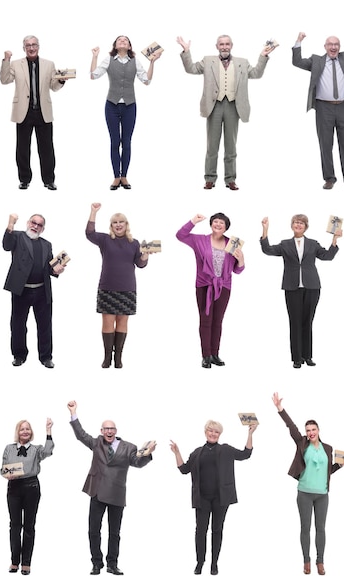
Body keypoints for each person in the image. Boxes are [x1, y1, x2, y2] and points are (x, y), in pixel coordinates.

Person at [67, 400, 155, 576]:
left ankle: (112, 564)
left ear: (116, 431)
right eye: (106, 429)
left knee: (114, 532)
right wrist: (73, 412)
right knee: (93, 530)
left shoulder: (129, 447)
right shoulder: (96, 443)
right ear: (101, 431)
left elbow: (137, 463)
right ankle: (96, 563)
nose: (109, 431)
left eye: (112, 428)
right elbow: (80, 435)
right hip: (98, 492)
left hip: (116, 494)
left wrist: (148, 453)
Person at [177, 34, 275, 190]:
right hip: (213, 106)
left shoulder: (242, 62)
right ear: (217, 46)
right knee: (212, 146)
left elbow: (256, 74)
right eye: (221, 44)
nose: (224, 47)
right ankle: (210, 178)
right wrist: (186, 51)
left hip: (233, 106)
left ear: (231, 46)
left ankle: (230, 179)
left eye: (227, 44)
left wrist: (263, 56)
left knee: (231, 146)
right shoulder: (208, 61)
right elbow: (191, 69)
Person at [292, 24, 344, 190]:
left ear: (339, 47)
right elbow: (297, 62)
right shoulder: (316, 61)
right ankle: (329, 178)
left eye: (336, 44)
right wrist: (298, 41)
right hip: (323, 108)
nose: (333, 47)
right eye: (330, 44)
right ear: (325, 47)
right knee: (325, 144)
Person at [272, 393, 344, 575]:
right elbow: (291, 427)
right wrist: (280, 409)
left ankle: (320, 562)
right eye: (308, 430)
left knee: (321, 529)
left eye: (313, 429)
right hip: (304, 493)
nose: (310, 432)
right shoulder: (302, 443)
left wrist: (340, 464)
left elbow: (328, 470)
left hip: (322, 494)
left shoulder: (328, 449)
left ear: (318, 430)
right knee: (305, 528)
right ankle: (306, 561)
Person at [170, 420, 256, 575]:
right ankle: (199, 562)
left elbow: (246, 454)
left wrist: (250, 434)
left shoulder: (226, 449)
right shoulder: (197, 452)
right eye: (211, 431)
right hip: (202, 498)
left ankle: (214, 563)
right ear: (205, 432)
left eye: (216, 432)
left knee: (217, 530)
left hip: (221, 498)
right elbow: (184, 469)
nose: (213, 434)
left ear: (219, 434)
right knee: (200, 530)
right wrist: (177, 453)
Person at [260, 215, 341, 368]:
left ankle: (307, 356)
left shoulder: (313, 243)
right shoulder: (285, 244)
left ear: (306, 227)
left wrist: (335, 240)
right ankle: (297, 358)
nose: (298, 225)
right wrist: (265, 230)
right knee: (295, 322)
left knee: (307, 322)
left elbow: (327, 256)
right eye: (296, 222)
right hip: (292, 287)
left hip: (312, 287)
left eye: (301, 223)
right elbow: (267, 250)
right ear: (292, 225)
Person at [90, 35, 160, 190]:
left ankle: (124, 176)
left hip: (130, 106)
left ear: (129, 46)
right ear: (115, 45)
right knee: (115, 142)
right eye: (119, 40)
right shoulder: (109, 60)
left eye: (125, 40)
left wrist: (152, 63)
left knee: (126, 142)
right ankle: (116, 177)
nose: (122, 41)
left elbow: (146, 81)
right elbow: (93, 75)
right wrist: (94, 57)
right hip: (112, 106)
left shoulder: (135, 61)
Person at [176, 213, 245, 368]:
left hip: (224, 287)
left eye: (222, 223)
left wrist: (241, 259)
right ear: (211, 224)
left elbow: (238, 270)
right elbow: (180, 235)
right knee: (206, 320)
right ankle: (206, 355)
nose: (218, 224)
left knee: (218, 321)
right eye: (215, 221)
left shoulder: (232, 243)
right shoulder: (199, 240)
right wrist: (193, 221)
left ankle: (215, 354)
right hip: (204, 286)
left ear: (226, 226)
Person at [86, 202, 149, 368]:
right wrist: (93, 212)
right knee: (107, 322)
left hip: (127, 288)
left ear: (126, 225)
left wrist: (145, 256)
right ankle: (107, 357)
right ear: (111, 226)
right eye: (115, 222)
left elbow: (140, 265)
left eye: (121, 222)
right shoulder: (105, 240)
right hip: (107, 286)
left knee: (122, 322)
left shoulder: (135, 243)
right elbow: (89, 233)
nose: (118, 224)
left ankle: (118, 358)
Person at [0, 35, 66, 190]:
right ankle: (24, 179)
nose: (31, 48)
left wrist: (61, 80)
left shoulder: (49, 64)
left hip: (43, 112)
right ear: (24, 48)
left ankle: (49, 180)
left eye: (34, 45)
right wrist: (6, 60)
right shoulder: (16, 64)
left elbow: (53, 87)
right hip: (24, 112)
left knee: (47, 148)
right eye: (28, 45)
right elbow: (4, 80)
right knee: (22, 148)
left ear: (38, 46)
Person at [3, 212, 65, 368]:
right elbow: (6, 245)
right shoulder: (17, 237)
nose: (35, 226)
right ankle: (19, 355)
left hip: (42, 291)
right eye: (33, 222)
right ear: (28, 223)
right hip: (21, 291)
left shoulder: (46, 244)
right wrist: (10, 224)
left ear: (43, 229)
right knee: (18, 325)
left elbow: (49, 268)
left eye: (39, 225)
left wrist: (56, 270)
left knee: (45, 325)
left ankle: (46, 357)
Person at [2, 418, 54, 576]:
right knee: (15, 525)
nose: (25, 431)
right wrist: (6, 475)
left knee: (29, 526)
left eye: (28, 429)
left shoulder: (36, 449)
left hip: (31, 487)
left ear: (31, 432)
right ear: (17, 432)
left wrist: (49, 431)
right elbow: (3, 468)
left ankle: (26, 563)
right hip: (14, 488)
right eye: (22, 429)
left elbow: (48, 451)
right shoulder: (9, 448)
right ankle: (14, 561)